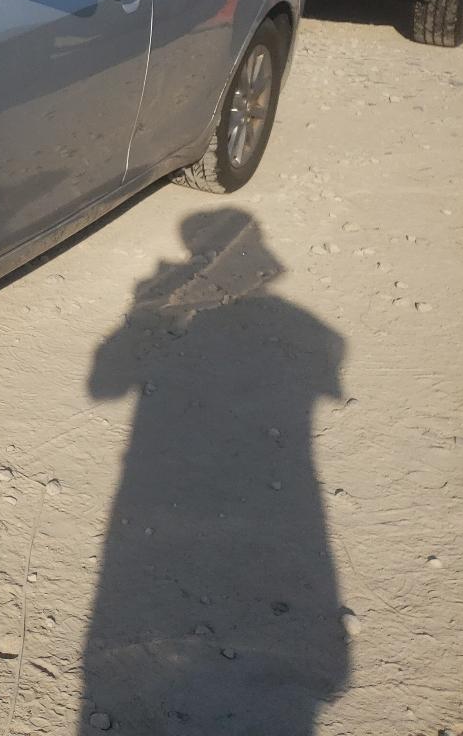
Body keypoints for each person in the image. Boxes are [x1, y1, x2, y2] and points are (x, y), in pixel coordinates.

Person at [81, 208, 350, 734]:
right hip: (281, 506)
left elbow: (103, 386)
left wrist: (144, 315)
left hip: (154, 501)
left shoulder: (168, 303)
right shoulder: (316, 331)